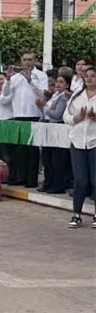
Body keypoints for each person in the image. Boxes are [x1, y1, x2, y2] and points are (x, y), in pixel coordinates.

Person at [3, 53, 48, 187]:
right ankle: (21, 177)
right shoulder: (16, 77)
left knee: (32, 150)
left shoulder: (40, 75)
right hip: (18, 114)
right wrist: (8, 79)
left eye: (30, 60)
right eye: (24, 60)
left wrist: (30, 81)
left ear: (34, 61)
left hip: (33, 114)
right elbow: (5, 93)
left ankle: (31, 180)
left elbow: (43, 94)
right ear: (21, 61)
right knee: (20, 149)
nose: (27, 62)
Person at [64, 66, 96, 228]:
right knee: (81, 180)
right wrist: (76, 118)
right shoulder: (77, 96)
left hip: (94, 143)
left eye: (93, 76)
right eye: (87, 76)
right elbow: (66, 116)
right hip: (77, 143)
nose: (89, 79)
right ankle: (76, 214)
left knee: (95, 180)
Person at [37, 72, 71, 194]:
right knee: (47, 158)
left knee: (57, 160)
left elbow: (57, 115)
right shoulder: (54, 95)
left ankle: (58, 185)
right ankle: (48, 182)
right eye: (57, 81)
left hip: (58, 127)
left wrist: (44, 107)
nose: (57, 84)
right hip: (47, 126)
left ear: (67, 85)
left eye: (61, 82)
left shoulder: (63, 97)